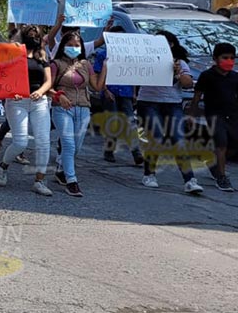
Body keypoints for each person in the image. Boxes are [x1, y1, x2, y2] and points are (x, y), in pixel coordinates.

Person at [102, 31, 201, 193]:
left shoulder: (180, 63)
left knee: (179, 140)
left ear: (171, 45)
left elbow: (188, 84)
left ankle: (189, 179)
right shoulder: (146, 60)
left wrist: (177, 72)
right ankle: (149, 174)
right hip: (148, 103)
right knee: (156, 137)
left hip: (172, 104)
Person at [0, 26, 54, 196]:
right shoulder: (14, 53)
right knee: (20, 142)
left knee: (43, 142)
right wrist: (12, 91)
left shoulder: (42, 55)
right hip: (16, 102)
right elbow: (3, 77)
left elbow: (48, 81)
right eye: (30, 34)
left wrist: (41, 91)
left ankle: (39, 180)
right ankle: (3, 166)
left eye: (37, 34)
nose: (34, 36)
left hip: (39, 102)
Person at [47, 32, 97, 198]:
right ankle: (71, 181)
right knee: (68, 144)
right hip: (63, 109)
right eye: (71, 45)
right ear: (63, 46)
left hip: (83, 108)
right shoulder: (56, 64)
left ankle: (61, 169)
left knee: (76, 147)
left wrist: (106, 69)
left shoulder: (86, 64)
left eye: (77, 45)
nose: (74, 48)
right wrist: (58, 95)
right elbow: (47, 86)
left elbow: (97, 86)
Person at [92, 27, 144, 165]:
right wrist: (105, 90)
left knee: (130, 122)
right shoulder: (103, 54)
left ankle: (136, 153)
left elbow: (132, 74)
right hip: (110, 92)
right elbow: (98, 75)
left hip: (125, 92)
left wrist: (133, 92)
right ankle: (109, 149)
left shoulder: (130, 55)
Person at [191, 42, 238, 192]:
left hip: (232, 114)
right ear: (215, 58)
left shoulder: (235, 77)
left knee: (233, 146)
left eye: (232, 58)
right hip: (214, 115)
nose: (229, 61)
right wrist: (192, 115)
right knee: (221, 144)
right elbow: (197, 96)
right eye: (225, 58)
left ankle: (212, 161)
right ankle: (221, 177)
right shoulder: (207, 76)